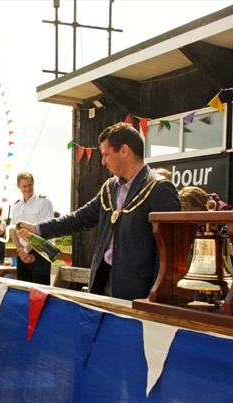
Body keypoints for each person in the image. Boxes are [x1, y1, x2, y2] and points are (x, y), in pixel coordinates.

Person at [17, 122, 181, 299]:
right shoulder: (110, 188)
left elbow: (168, 253)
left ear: (124, 151)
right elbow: (78, 219)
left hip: (137, 291)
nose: (102, 161)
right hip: (102, 282)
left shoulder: (159, 188)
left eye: (106, 155)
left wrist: (155, 296)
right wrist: (38, 229)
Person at [10, 171, 54, 284]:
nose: (28, 189)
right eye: (24, 186)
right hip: (22, 254)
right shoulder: (16, 206)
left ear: (33, 184)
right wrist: (20, 249)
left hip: (40, 253)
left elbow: (45, 231)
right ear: (18, 187)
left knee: (40, 295)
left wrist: (26, 250)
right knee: (23, 293)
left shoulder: (45, 202)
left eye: (30, 185)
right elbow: (13, 230)